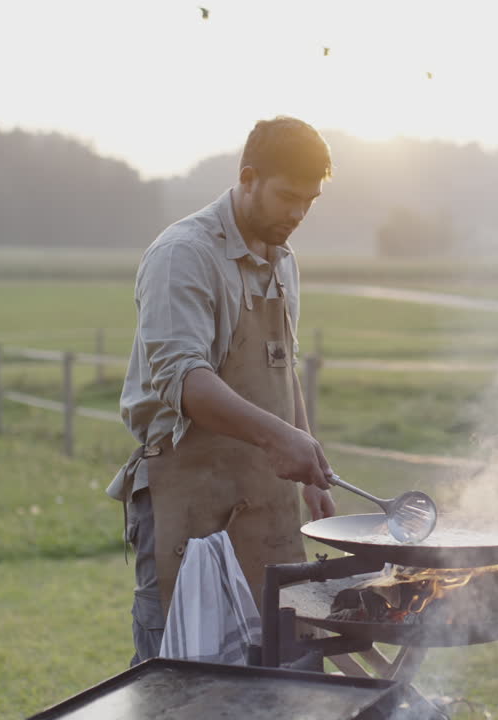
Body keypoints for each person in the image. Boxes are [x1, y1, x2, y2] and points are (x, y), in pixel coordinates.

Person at [106, 116, 338, 666]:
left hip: (270, 506)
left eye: (310, 201)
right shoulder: (183, 255)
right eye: (287, 197)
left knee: (290, 685)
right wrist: (281, 438)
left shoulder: (285, 262)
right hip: (188, 507)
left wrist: (308, 460)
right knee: (186, 689)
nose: (298, 214)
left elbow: (283, 369)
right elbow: (184, 381)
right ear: (248, 177)